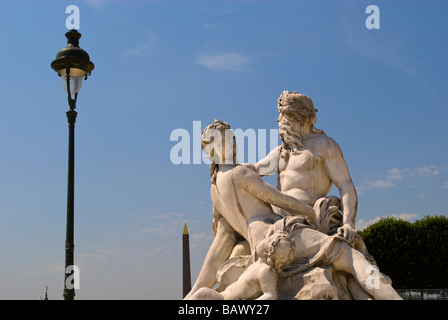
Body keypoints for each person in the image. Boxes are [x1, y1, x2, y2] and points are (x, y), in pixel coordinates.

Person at [184, 119, 401, 300]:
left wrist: (193, 292)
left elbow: (218, 246)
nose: (233, 142)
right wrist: (311, 214)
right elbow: (280, 199)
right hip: (281, 234)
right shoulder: (240, 174)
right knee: (351, 257)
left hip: (259, 249)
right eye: (228, 138)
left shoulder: (215, 189)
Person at [251, 91, 358, 242]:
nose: (278, 121)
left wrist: (348, 223)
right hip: (276, 218)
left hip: (308, 218)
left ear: (296, 118)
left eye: (283, 117)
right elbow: (255, 170)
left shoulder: (324, 145)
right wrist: (227, 164)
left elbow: (345, 185)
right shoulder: (281, 151)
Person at [187, 231, 295, 300]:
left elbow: (271, 295)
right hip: (223, 295)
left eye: (266, 240)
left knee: (202, 293)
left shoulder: (265, 271)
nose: (263, 239)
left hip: (225, 300)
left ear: (269, 251)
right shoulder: (257, 263)